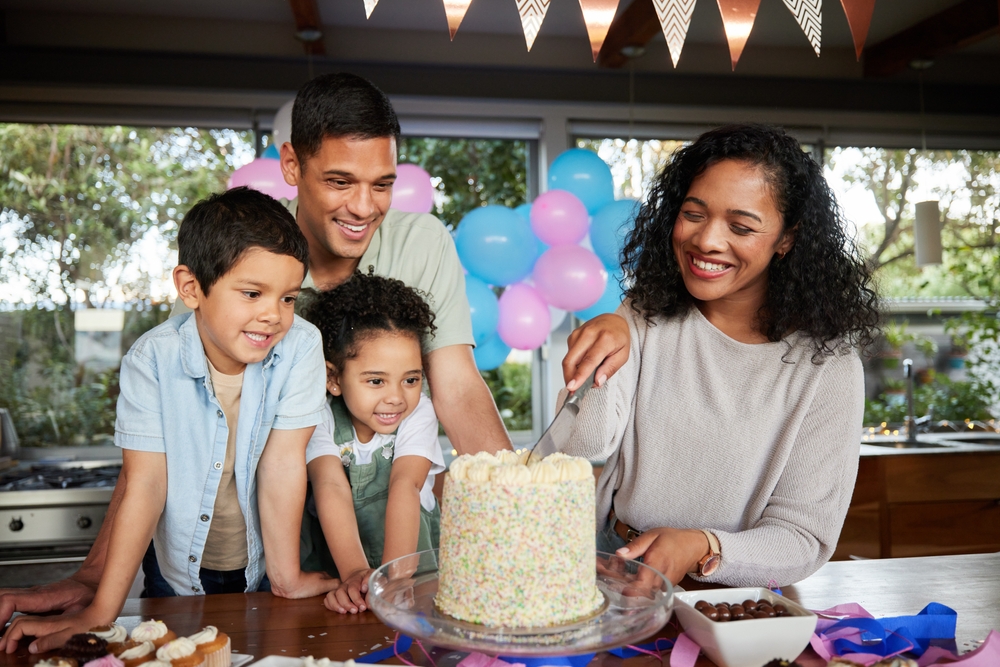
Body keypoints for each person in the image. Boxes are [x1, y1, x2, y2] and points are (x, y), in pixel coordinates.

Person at [0, 188, 336, 654]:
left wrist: (286, 578)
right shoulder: (151, 360)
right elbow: (146, 485)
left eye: (288, 298)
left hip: (261, 566)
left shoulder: (302, 346)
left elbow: (283, 464)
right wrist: (101, 612)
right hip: (174, 572)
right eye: (252, 293)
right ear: (191, 287)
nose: (273, 316)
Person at [564, 124, 880, 587]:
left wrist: (702, 546)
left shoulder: (826, 367)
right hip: (614, 566)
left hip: (733, 597)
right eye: (693, 214)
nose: (707, 240)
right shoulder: (645, 316)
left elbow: (803, 538)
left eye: (741, 227)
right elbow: (583, 447)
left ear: (787, 239)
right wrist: (611, 334)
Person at [298, 272, 443, 614]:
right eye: (376, 381)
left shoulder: (419, 413)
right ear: (333, 378)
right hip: (344, 579)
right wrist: (354, 575)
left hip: (413, 582)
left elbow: (405, 485)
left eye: (410, 379)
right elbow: (330, 485)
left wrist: (394, 581)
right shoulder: (318, 414)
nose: (396, 397)